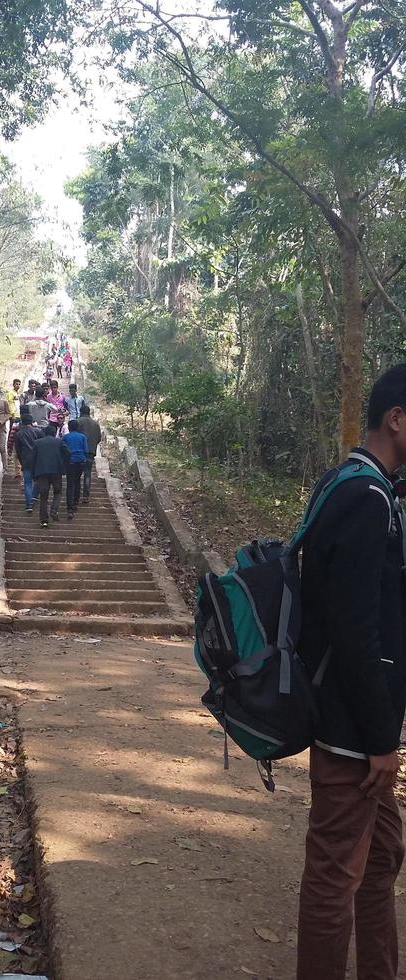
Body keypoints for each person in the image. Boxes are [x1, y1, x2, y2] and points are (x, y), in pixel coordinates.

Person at [296, 363, 406, 980]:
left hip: (360, 721)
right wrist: (380, 741)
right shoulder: (366, 501)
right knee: (335, 876)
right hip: (353, 730)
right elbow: (355, 631)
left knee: (382, 855)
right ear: (397, 418)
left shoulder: (353, 483)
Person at [31, 423, 70, 527]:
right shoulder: (60, 442)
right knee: (58, 492)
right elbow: (68, 454)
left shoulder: (37, 443)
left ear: (44, 432)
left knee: (43, 497)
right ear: (54, 433)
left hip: (41, 472)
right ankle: (54, 510)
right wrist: (63, 465)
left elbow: (32, 459)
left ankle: (44, 520)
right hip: (56, 471)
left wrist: (33, 473)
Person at [14, 406, 44, 512]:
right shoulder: (39, 432)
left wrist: (21, 461)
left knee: (27, 483)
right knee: (37, 480)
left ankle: (29, 504)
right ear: (32, 422)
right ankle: (34, 496)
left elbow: (17, 450)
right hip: (37, 460)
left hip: (26, 460)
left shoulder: (18, 434)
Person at [62, 419, 88, 519]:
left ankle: (70, 508)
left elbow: (63, 450)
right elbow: (86, 450)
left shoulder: (65, 437)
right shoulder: (82, 437)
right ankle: (76, 502)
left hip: (70, 462)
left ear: (69, 427)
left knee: (70, 484)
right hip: (80, 461)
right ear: (77, 427)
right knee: (77, 481)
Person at [77, 405, 102, 503]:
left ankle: (76, 494)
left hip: (79, 452)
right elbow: (99, 438)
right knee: (87, 474)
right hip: (91, 451)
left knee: (77, 474)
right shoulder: (95, 424)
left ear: (81, 412)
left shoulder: (78, 422)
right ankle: (86, 495)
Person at [6, 378, 22, 478]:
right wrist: (12, 414)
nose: (18, 385)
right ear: (13, 384)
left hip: (18, 416)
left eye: (19, 384)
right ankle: (10, 450)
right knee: (12, 433)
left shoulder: (17, 394)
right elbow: (10, 404)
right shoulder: (10, 393)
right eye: (16, 384)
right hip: (14, 416)